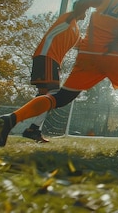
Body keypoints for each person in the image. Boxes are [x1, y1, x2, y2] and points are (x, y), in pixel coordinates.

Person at [0, 0, 118, 148]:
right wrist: (115, 40)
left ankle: (11, 119)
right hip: (114, 52)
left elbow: (84, 0)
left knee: (60, 97)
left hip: (88, 54)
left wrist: (78, 14)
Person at [24, 10, 86, 143]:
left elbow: (83, 45)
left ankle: (29, 128)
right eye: (85, 9)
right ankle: (28, 126)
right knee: (53, 95)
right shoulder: (68, 19)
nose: (86, 12)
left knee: (44, 97)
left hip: (52, 61)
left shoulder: (76, 31)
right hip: (47, 57)